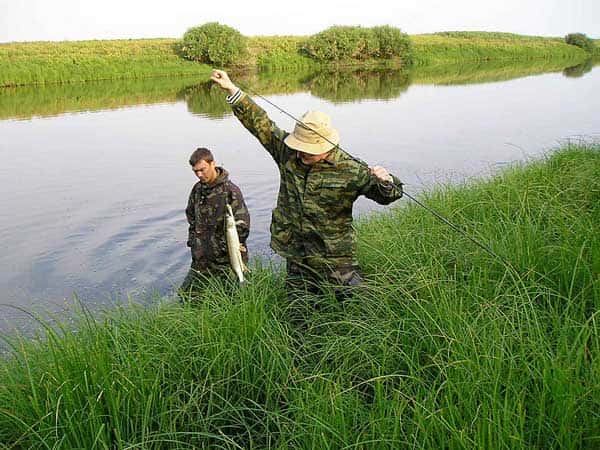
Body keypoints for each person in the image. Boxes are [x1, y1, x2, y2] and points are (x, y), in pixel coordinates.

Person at [211, 69, 403, 299]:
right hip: (296, 253)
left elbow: (388, 196)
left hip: (334, 256)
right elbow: (260, 123)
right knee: (298, 309)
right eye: (299, 146)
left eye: (308, 150)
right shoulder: (288, 152)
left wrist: (387, 182)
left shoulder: (352, 170)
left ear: (325, 147)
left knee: (355, 304)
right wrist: (232, 90)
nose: (301, 153)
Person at [179, 147, 250, 297]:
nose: (199, 174)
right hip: (202, 258)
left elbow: (242, 227)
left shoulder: (231, 191)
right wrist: (193, 242)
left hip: (226, 260)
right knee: (186, 296)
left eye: (202, 169)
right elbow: (191, 216)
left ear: (213, 164)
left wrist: (224, 247)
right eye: (195, 171)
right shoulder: (197, 190)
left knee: (233, 299)